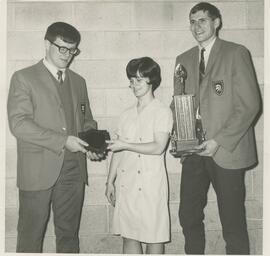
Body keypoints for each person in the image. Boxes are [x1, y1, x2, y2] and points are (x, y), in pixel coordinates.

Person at [171, 2, 261, 255]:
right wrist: (176, 133)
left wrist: (218, 140)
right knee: (188, 215)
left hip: (227, 151)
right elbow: (178, 102)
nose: (196, 26)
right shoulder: (183, 59)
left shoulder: (236, 53)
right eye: (192, 21)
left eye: (202, 20)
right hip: (193, 151)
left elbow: (249, 105)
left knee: (232, 222)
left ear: (216, 22)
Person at [7, 21, 103, 253]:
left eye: (72, 50)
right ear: (46, 44)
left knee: (69, 237)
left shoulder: (79, 82)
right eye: (62, 48)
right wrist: (62, 141)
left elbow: (86, 119)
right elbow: (19, 124)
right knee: (30, 237)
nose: (68, 55)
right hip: (37, 170)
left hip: (73, 171)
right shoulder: (23, 77)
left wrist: (92, 143)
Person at [105, 57, 173, 254]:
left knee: (154, 237)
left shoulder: (162, 112)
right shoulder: (126, 114)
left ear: (152, 81)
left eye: (140, 80)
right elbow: (117, 152)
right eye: (132, 80)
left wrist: (125, 144)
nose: (134, 85)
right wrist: (110, 181)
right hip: (128, 183)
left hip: (151, 184)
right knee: (129, 236)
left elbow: (158, 147)